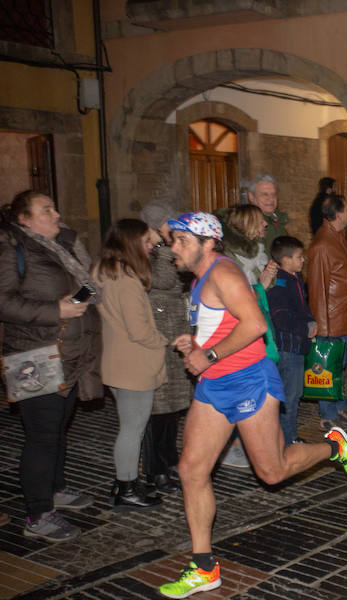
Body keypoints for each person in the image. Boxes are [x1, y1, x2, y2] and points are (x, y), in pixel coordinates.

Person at [159, 212, 347, 599]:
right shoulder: (202, 279)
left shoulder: (223, 273)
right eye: (174, 241)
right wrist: (196, 345)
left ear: (207, 242)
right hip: (215, 385)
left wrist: (210, 354)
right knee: (190, 469)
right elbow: (221, 324)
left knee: (271, 471)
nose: (175, 248)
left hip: (249, 381)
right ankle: (204, 567)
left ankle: (335, 447)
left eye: (182, 241)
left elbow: (254, 324)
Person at [0, 191, 101, 542]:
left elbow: (83, 290)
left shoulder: (62, 247)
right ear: (24, 219)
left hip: (70, 353)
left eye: (55, 207)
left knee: (57, 429)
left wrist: (80, 298)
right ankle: (38, 514)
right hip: (33, 356)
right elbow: (4, 302)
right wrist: (56, 311)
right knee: (41, 435)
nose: (56, 214)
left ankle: (55, 488)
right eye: (46, 210)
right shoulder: (12, 249)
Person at [94, 218, 167, 510]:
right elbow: (139, 331)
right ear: (131, 242)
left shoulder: (100, 270)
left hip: (115, 360)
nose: (151, 248)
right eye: (147, 242)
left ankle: (124, 483)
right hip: (133, 364)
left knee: (130, 427)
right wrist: (164, 340)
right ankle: (125, 487)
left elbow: (80, 299)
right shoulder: (126, 279)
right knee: (132, 428)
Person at [220, 204, 278, 468]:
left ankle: (253, 442)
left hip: (258, 324)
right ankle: (233, 444)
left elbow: (257, 293)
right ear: (247, 224)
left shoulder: (257, 251)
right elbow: (238, 299)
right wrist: (261, 285)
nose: (265, 225)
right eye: (260, 221)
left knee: (258, 387)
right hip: (237, 331)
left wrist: (265, 280)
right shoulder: (230, 259)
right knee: (240, 386)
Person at [139, 200, 191, 494]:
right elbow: (164, 279)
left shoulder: (165, 250)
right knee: (157, 408)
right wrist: (163, 249)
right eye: (169, 224)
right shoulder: (148, 253)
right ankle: (154, 469)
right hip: (158, 335)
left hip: (174, 331)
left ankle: (170, 458)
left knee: (172, 406)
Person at [307, 194, 347, 430]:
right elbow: (317, 288)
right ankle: (328, 414)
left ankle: (338, 408)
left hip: (340, 316)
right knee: (328, 366)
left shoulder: (338, 239)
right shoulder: (323, 245)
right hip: (330, 320)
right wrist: (322, 327)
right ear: (338, 214)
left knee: (338, 366)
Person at [266, 236, 317, 445]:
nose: (303, 259)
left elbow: (301, 308)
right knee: (290, 396)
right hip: (288, 347)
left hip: (297, 344)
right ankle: (287, 440)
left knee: (292, 395)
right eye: (298, 256)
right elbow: (281, 316)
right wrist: (304, 329)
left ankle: (286, 436)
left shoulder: (294, 279)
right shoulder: (280, 284)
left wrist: (310, 321)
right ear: (285, 260)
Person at [247, 174, 289, 252]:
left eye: (274, 194)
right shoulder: (248, 224)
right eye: (264, 194)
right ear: (251, 197)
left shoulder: (282, 220)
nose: (271, 198)